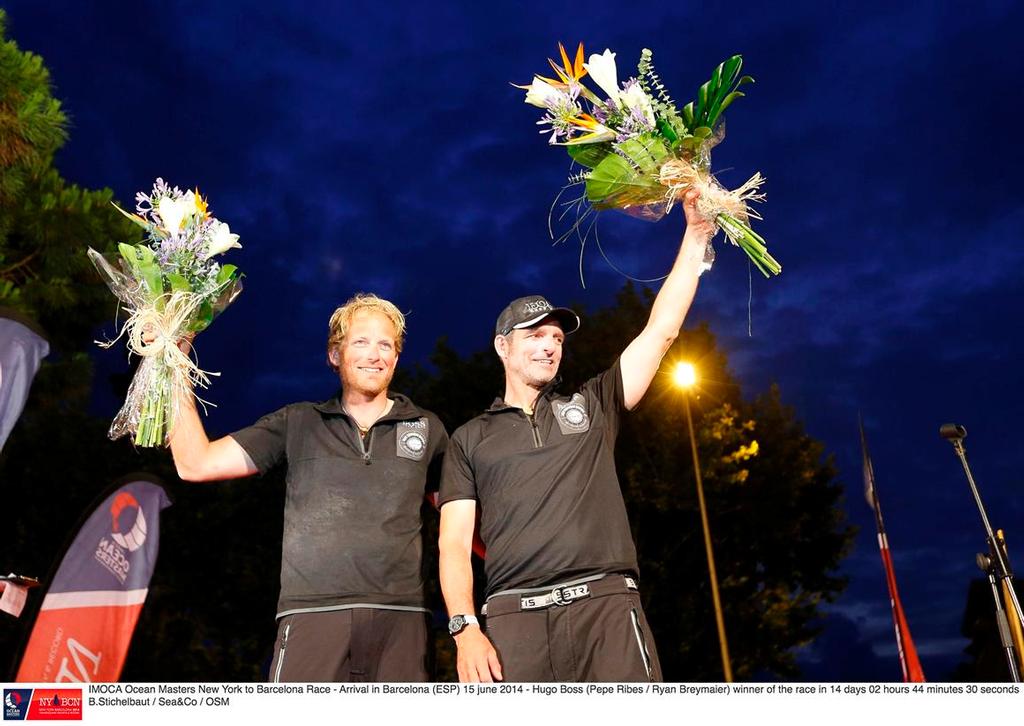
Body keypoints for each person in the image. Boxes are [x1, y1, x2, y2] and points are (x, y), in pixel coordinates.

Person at [438, 190, 714, 683]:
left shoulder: (593, 405)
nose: (549, 346)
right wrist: (464, 629)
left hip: (605, 608)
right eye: (534, 336)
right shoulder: (468, 439)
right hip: (512, 622)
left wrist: (696, 235)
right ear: (503, 347)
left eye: (557, 338)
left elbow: (661, 331)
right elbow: (454, 545)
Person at [169, 293, 447, 682]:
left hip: (402, 618)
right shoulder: (298, 423)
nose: (374, 354)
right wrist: (170, 362)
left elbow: (461, 522)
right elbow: (195, 463)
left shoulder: (427, 428)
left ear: (396, 358)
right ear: (335, 355)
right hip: (312, 615)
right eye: (361, 342)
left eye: (386, 345)